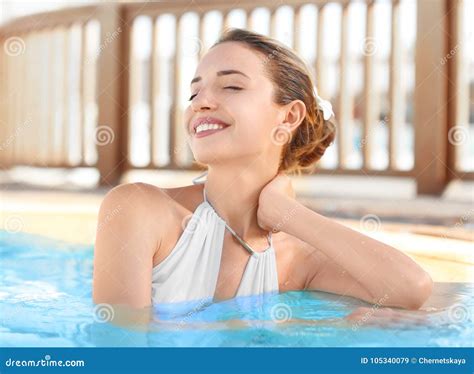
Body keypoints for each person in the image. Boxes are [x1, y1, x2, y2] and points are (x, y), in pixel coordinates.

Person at [92, 29, 433, 321]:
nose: (201, 102)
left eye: (232, 87)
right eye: (194, 92)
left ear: (288, 118)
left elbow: (410, 289)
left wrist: (288, 213)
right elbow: (120, 350)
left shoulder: (297, 259)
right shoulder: (138, 209)